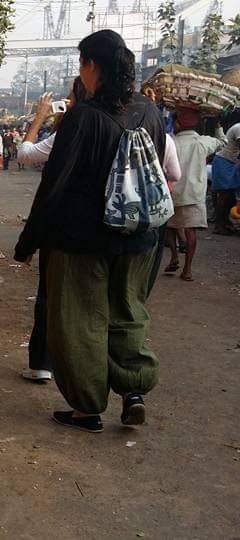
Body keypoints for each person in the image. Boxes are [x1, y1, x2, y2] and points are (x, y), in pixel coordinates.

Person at [14, 30, 165, 432]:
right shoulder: (149, 112)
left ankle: (87, 408)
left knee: (79, 322)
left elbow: (55, 184)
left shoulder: (82, 117)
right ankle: (134, 391)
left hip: (81, 240)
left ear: (92, 66)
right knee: (128, 313)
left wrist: (29, 242)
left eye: (82, 63)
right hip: (139, 237)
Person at [165, 108, 224, 281]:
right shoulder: (203, 142)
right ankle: (187, 270)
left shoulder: (171, 141)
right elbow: (223, 141)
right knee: (191, 232)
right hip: (194, 194)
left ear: (178, 123)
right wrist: (218, 124)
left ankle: (174, 257)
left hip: (172, 193)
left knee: (169, 227)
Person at [212, 110, 240, 234]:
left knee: (229, 195)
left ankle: (224, 222)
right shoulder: (239, 128)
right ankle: (219, 225)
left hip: (231, 163)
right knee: (224, 195)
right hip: (224, 161)